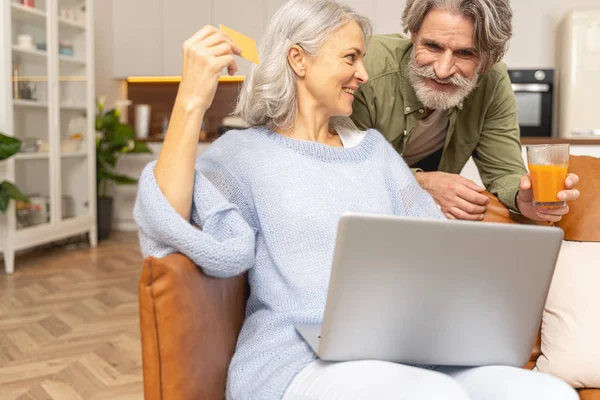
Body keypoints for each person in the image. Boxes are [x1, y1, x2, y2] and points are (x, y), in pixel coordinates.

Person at [134, 0, 577, 399]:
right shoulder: (243, 154)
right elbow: (168, 224)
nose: (363, 75)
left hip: (406, 355)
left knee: (546, 394)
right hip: (298, 361)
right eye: (350, 58)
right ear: (298, 60)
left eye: (362, 59)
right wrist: (191, 100)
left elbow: (434, 253)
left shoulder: (375, 153)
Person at [350, 0, 580, 222]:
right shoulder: (364, 66)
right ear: (413, 34)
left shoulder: (493, 81)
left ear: (489, 56)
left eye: (465, 53)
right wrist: (420, 182)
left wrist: (523, 199)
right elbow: (340, 168)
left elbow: (504, 172)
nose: (442, 70)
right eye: (432, 46)